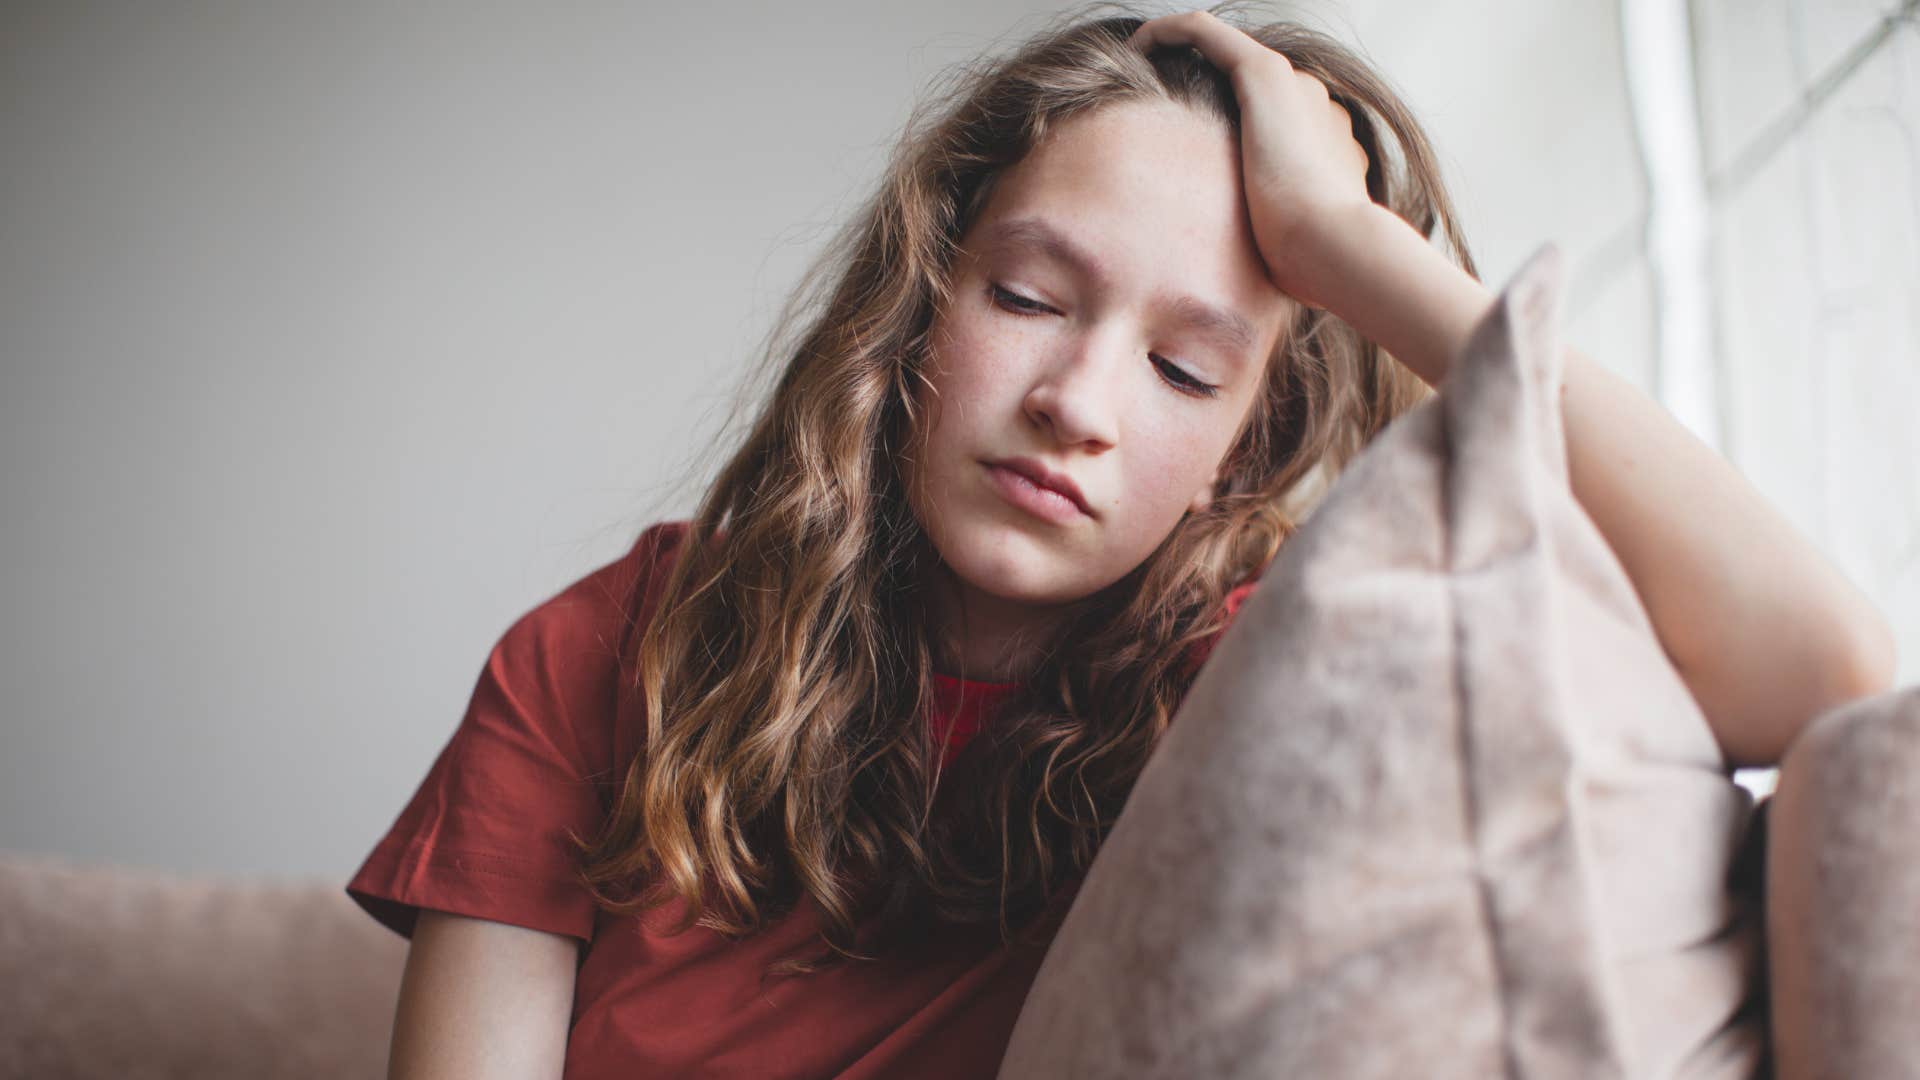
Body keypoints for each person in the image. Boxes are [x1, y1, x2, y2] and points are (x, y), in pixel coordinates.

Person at [346, 4, 1896, 1078]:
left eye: (1183, 369)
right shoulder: (610, 650)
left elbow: (1817, 669)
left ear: (1254, 439)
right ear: (918, 305)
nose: (1075, 402)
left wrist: (1362, 259)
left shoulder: (1260, 683)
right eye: (1025, 297)